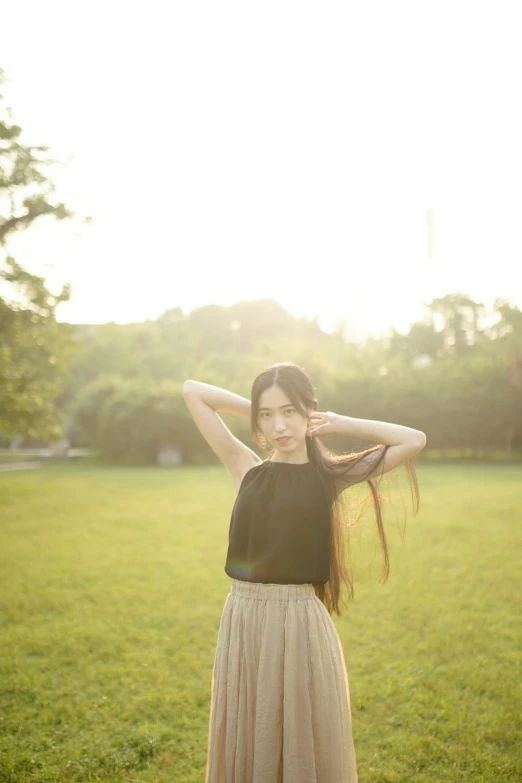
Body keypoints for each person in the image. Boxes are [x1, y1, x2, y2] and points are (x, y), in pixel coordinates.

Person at [183, 362, 426, 783]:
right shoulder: (247, 468)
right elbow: (192, 391)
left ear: (308, 412)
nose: (279, 425)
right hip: (242, 618)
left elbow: (413, 440)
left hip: (298, 619)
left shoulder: (328, 477)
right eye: (268, 415)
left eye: (290, 412)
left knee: (296, 734)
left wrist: (335, 423)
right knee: (250, 728)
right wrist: (264, 410)